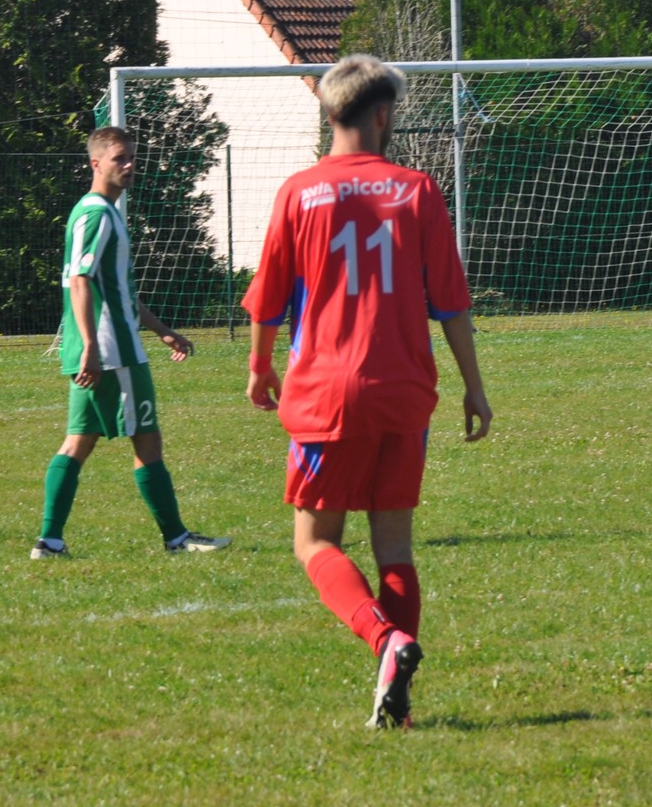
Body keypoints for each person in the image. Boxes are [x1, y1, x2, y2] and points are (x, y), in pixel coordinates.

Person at [243, 55, 494, 730]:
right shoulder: (416, 190)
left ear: (331, 112)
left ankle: (386, 641)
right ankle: (398, 704)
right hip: (403, 392)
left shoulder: (298, 192)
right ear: (382, 115)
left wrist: (259, 366)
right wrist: (473, 386)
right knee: (396, 549)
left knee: (315, 542)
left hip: (326, 393)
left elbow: (267, 299)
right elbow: (451, 304)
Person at [31, 125, 230, 560]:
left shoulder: (103, 212)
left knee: (78, 441)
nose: (129, 164)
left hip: (107, 347)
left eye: (132, 157)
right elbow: (80, 280)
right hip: (112, 351)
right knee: (146, 441)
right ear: (95, 163)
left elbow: (117, 290)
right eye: (120, 157)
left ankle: (49, 541)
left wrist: (161, 330)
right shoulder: (97, 214)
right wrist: (89, 346)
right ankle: (177, 537)